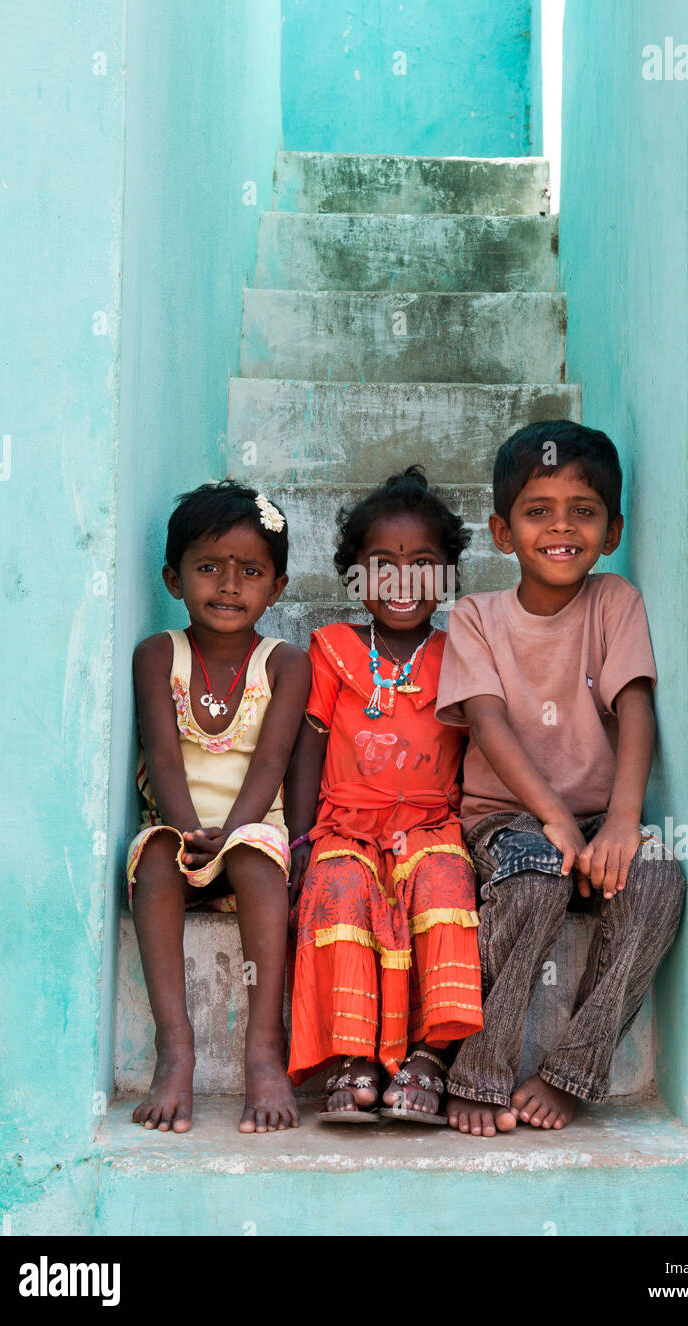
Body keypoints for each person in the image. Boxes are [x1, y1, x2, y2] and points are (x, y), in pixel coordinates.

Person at [435, 421, 687, 1137]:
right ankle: (479, 1066)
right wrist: (551, 818)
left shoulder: (615, 601)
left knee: (660, 878)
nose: (561, 527)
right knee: (536, 871)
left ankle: (573, 1068)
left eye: (584, 510)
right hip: (506, 817)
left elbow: (635, 708)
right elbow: (487, 724)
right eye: (538, 510)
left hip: (598, 819)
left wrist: (619, 821)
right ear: (503, 532)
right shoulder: (477, 617)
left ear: (612, 531)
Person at [285, 467, 483, 1123]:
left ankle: (428, 1054)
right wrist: (299, 837)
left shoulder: (459, 655)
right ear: (355, 576)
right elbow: (308, 746)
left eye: (423, 563)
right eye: (382, 564)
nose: (403, 581)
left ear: (449, 578)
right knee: (337, 886)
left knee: (444, 883)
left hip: (431, 825)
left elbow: (482, 748)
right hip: (345, 825)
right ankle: (355, 1057)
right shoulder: (333, 651)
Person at [127, 480, 310, 1135]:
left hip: (251, 832)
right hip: (178, 831)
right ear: (174, 580)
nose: (230, 586)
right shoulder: (157, 655)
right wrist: (183, 834)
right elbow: (164, 757)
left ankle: (264, 1047)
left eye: (251, 572)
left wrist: (231, 835)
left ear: (278, 588)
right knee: (150, 858)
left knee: (261, 860)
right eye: (209, 568)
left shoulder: (285, 663)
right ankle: (175, 1048)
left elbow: (271, 762)